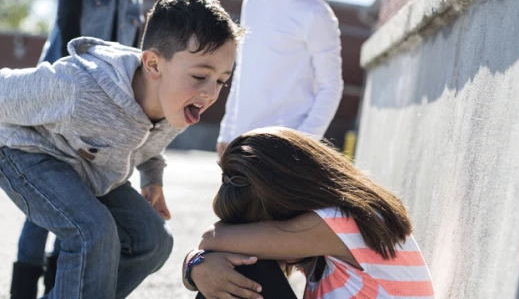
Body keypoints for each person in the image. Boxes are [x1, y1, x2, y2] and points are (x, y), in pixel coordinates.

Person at [0, 0, 243, 299]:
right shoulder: (79, 86)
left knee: (153, 240)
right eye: (200, 75)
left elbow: (150, 143)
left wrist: (153, 177)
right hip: (25, 155)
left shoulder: (177, 102)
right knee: (93, 231)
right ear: (153, 64)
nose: (210, 92)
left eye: (221, 81)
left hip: (90, 169)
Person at [182, 127, 434, 299]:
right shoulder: (331, 227)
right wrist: (196, 266)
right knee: (230, 265)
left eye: (260, 226)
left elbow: (211, 239)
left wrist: (198, 261)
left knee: (246, 267)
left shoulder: (341, 221)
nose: (257, 236)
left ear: (287, 199)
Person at [13, 0, 145, 297]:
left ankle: (56, 288)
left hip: (104, 111)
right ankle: (21, 292)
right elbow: (66, 30)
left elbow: (133, 59)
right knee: (44, 201)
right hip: (60, 99)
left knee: (77, 199)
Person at [216, 0, 343, 158]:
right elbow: (242, 73)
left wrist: (302, 144)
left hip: (283, 149)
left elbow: (330, 86)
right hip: (241, 141)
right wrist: (227, 131)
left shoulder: (317, 13)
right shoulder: (252, 3)